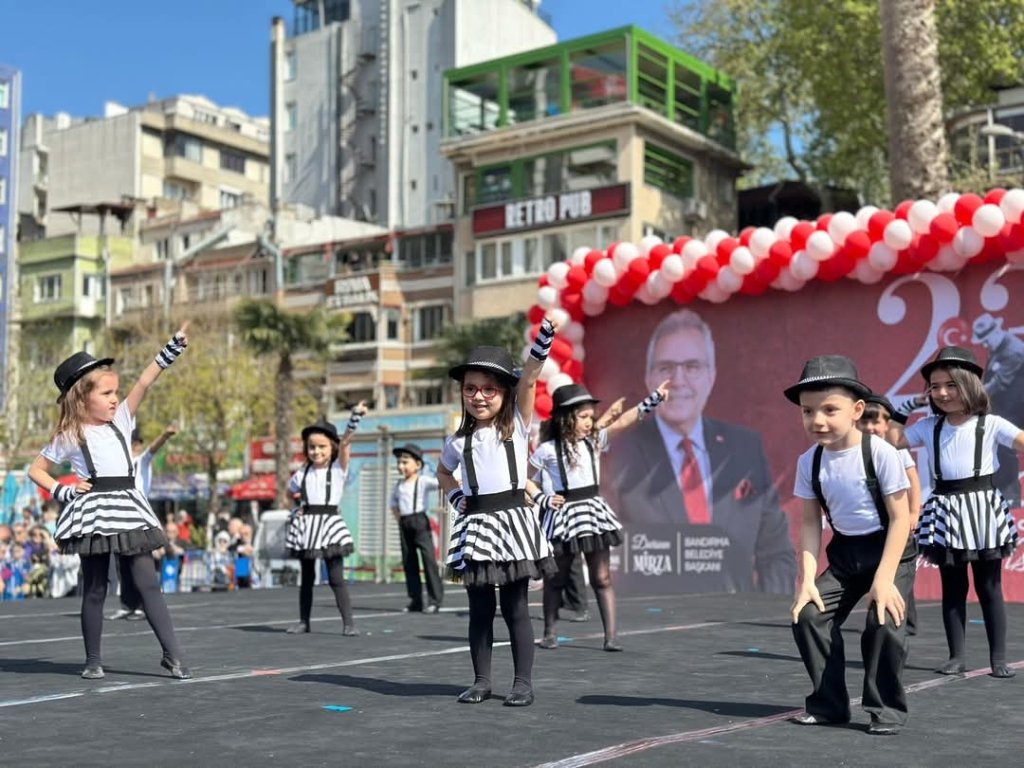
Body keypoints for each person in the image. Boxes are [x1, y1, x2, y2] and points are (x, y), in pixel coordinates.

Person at [27, 330, 193, 680]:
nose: (116, 399)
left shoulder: (122, 419)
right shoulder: (70, 435)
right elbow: (36, 470)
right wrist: (64, 491)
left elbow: (147, 380)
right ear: (82, 399)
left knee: (148, 582)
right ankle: (92, 659)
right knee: (96, 587)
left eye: (116, 392)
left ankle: (173, 654)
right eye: (107, 393)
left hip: (129, 506)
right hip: (95, 511)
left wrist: (171, 349)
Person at [604, 309, 796, 593]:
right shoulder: (618, 456)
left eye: (692, 367)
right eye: (665, 368)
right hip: (655, 629)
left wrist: (765, 619)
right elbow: (606, 563)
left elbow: (777, 554)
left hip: (743, 626)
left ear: (711, 376)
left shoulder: (746, 449)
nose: (678, 380)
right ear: (649, 379)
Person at [786, 355, 914, 736]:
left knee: (884, 622)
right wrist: (807, 580)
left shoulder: (881, 453)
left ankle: (885, 709)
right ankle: (828, 706)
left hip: (890, 548)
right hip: (845, 553)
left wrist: (885, 578)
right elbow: (810, 523)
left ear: (857, 410)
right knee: (808, 616)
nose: (817, 420)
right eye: (808, 411)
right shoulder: (809, 462)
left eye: (829, 409)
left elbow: (901, 519)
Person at [437, 317, 560, 708]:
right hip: (476, 527)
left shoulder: (518, 427)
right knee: (479, 610)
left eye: (489, 389)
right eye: (471, 389)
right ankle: (481, 681)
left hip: (512, 524)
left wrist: (542, 341)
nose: (479, 396)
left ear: (504, 394)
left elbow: (529, 379)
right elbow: (442, 473)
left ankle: (522, 683)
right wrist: (457, 499)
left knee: (515, 607)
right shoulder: (458, 442)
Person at [898, 346, 1022, 679]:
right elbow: (891, 440)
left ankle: (999, 658)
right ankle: (957, 656)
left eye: (950, 384)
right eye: (935, 386)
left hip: (983, 508)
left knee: (989, 586)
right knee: (953, 588)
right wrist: (911, 405)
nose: (941, 393)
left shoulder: (991, 424)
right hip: (945, 510)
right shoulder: (927, 427)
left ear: (970, 384)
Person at [530, 381, 669, 652]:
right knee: (556, 578)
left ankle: (611, 636)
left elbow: (626, 421)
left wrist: (654, 399)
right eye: (582, 417)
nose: (588, 421)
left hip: (592, 511)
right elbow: (525, 479)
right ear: (566, 418)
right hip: (563, 515)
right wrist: (542, 499)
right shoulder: (547, 450)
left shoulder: (594, 441)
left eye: (589, 417)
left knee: (602, 577)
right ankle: (549, 633)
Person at [284, 405, 366, 636]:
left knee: (336, 577)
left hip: (330, 524)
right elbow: (290, 491)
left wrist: (354, 418)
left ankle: (349, 623)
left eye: (322, 446)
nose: (316, 451)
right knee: (307, 577)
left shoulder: (339, 468)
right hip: (307, 525)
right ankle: (304, 621)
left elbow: (347, 442)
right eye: (312, 447)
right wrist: (296, 509)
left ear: (332, 447)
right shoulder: (302, 472)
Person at [858, 393, 921, 635]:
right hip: (873, 521)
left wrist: (914, 511)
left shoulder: (894, 448)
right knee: (882, 569)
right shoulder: (859, 448)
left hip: (897, 517)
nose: (871, 427)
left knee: (900, 571)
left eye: (877, 422)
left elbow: (913, 480)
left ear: (887, 424)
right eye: (866, 422)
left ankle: (907, 620)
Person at [109, 424, 177, 621]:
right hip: (121, 517)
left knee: (139, 562)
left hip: (138, 517)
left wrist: (164, 434)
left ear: (136, 445)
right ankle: (127, 604)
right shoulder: (117, 466)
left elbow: (153, 449)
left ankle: (141, 605)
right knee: (123, 563)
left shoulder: (141, 461)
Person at [972, 313, 1024, 507]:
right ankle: (1008, 496)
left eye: (986, 340)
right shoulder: (998, 347)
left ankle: (1012, 498)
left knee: (1005, 448)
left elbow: (998, 383)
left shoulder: (1014, 350)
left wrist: (973, 397)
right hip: (1007, 410)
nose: (984, 344)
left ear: (996, 331)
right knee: (1001, 450)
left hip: (1018, 410)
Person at [389, 443, 443, 613]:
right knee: (409, 561)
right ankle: (416, 600)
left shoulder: (423, 481)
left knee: (428, 561)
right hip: (405, 523)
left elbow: (439, 483)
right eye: (399, 462)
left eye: (405, 462)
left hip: (420, 521)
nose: (401, 466)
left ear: (418, 465)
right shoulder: (398, 485)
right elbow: (393, 504)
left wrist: (456, 478)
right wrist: (400, 519)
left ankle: (434, 600)